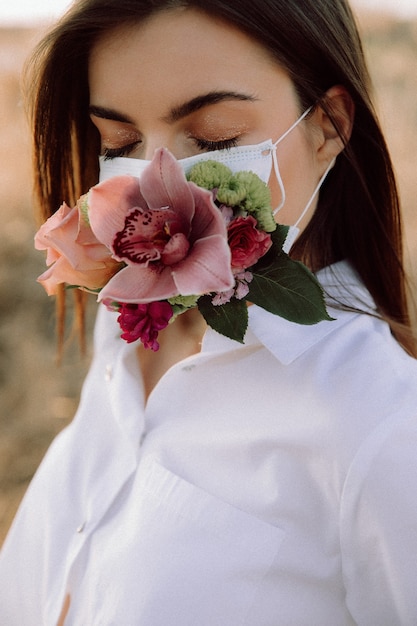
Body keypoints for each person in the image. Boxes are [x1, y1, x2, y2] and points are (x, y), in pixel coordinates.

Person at [1, 0, 417, 623]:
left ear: (328, 124)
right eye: (120, 141)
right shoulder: (132, 338)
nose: (154, 179)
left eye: (216, 136)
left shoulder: (382, 426)